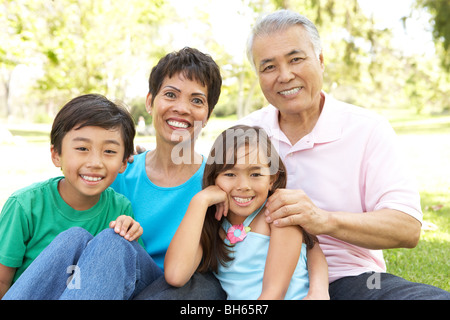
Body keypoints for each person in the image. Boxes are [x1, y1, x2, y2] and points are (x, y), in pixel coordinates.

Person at [239, 9, 450, 299]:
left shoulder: (368, 129)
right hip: (251, 281)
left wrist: (324, 220)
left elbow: (407, 227)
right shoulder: (244, 133)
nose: (285, 75)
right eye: (269, 67)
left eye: (296, 59)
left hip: (350, 278)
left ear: (321, 60)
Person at [0, 94, 162, 299]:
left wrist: (130, 235)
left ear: (123, 162)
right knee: (74, 238)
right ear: (56, 154)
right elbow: (2, 281)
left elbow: (129, 275)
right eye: (82, 149)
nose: (95, 162)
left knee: (113, 238)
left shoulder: (120, 208)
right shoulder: (24, 206)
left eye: (110, 151)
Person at [111, 47, 226, 299]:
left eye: (197, 100)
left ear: (207, 116)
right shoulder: (120, 173)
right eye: (171, 95)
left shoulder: (216, 184)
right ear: (150, 102)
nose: (182, 108)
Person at [164, 125, 329, 300]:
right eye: (230, 174)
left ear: (272, 179)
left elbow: (273, 294)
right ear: (214, 178)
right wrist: (200, 201)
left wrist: (319, 290)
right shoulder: (213, 224)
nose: (243, 185)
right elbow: (176, 275)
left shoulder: (278, 216)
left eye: (255, 174)